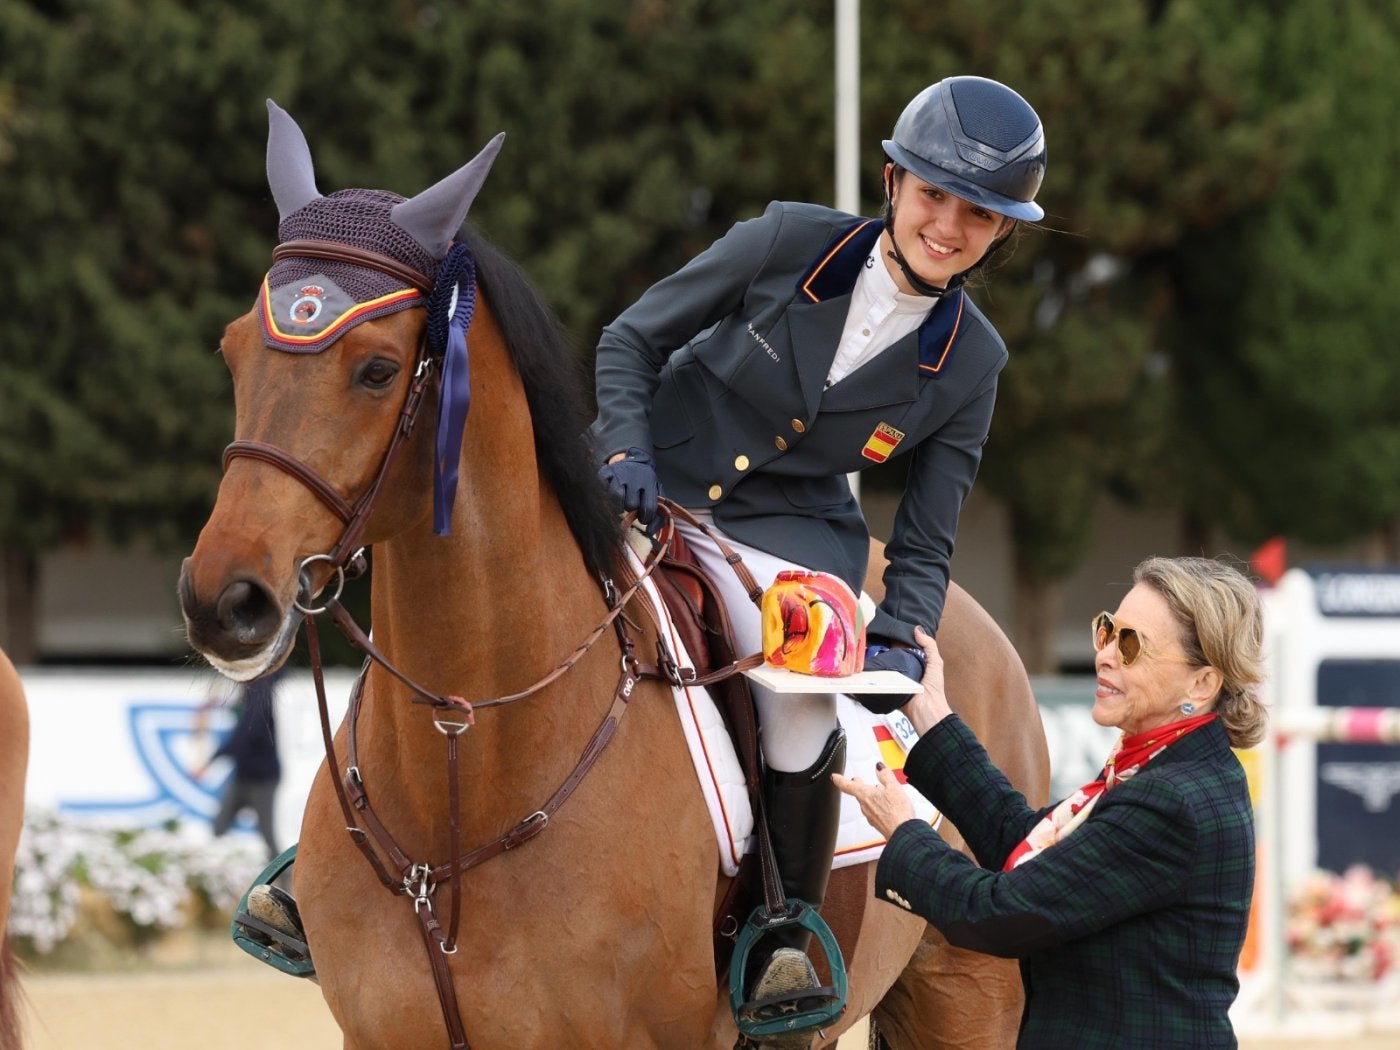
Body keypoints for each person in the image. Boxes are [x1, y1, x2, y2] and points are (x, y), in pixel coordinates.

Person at [591, 75, 1046, 1033]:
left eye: (978, 214)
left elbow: (927, 530)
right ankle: (333, 857)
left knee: (800, 691)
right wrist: (624, 450)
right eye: (934, 194)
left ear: (1002, 231)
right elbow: (630, 340)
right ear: (893, 181)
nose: (947, 226)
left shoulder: (974, 362)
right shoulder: (785, 241)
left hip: (785, 536)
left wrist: (903, 632)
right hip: (645, 478)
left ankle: (785, 933)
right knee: (479, 571)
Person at [835, 556, 1268, 1049]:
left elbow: (998, 915)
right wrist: (929, 713)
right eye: (1108, 631)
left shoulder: (1169, 798)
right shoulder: (1169, 766)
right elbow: (1024, 842)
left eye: (1132, 645)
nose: (1105, 655)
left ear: (1202, 684)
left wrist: (906, 834)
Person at [194, 668, 284, 862]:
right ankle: (212, 868)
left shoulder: (260, 689)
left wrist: (210, 761)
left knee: (267, 833)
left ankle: (284, 876)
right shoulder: (251, 691)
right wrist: (216, 704)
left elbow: (244, 736)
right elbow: (241, 715)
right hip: (243, 776)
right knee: (220, 825)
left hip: (263, 779)